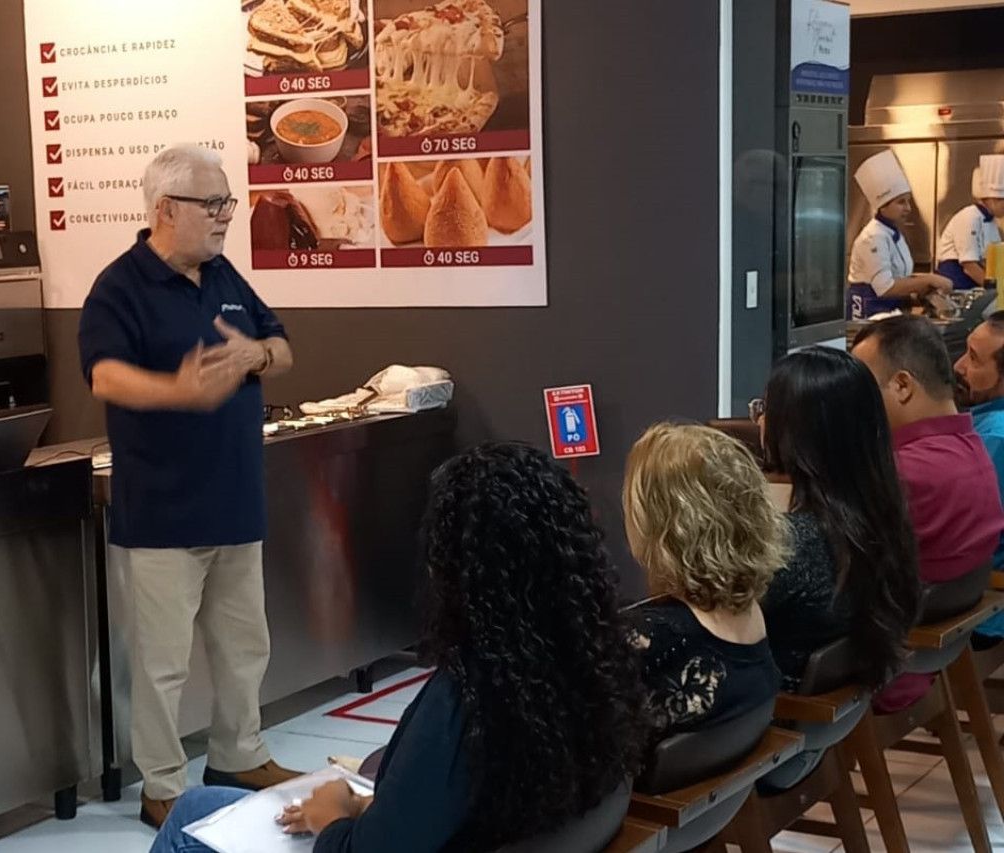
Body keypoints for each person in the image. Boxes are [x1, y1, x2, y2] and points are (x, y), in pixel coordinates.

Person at [150, 442, 651, 853]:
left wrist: (333, 820)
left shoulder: (466, 700)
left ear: (457, 569)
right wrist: (365, 808)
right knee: (205, 803)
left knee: (189, 822)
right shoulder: (593, 660)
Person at [78, 145, 297, 829]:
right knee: (163, 664)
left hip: (235, 499)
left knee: (245, 645)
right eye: (214, 204)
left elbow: (283, 346)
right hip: (164, 509)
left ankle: (238, 753)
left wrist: (256, 354)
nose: (226, 215)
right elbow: (105, 376)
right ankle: (163, 786)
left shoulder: (224, 273)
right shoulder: (119, 287)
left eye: (227, 202)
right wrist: (177, 387)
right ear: (165, 209)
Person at [851, 314, 1004, 710]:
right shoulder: (971, 446)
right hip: (939, 645)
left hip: (886, 670)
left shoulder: (913, 473)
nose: (958, 366)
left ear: (902, 385)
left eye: (861, 388)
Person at [756, 347, 921, 692]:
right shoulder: (880, 515)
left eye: (766, 409)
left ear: (796, 431)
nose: (759, 420)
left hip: (774, 716)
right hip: (826, 717)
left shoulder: (791, 546)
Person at [622, 423, 785, 740]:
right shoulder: (749, 610)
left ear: (659, 522)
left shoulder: (649, 637)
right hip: (729, 783)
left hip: (659, 788)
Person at [848, 149, 952, 320]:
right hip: (870, 314)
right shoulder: (873, 237)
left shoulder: (893, 233)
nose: (908, 208)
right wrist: (928, 280)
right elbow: (885, 288)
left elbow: (899, 277)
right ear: (883, 205)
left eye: (908, 201)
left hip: (892, 312)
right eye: (901, 202)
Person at [954, 311, 1004, 640]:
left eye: (973, 359)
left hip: (983, 607)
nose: (959, 366)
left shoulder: (994, 439)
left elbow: (961, 538)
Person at [935, 155, 1004, 290]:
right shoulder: (969, 217)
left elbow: (991, 264)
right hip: (956, 286)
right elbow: (970, 267)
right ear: (991, 199)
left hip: (976, 286)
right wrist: (997, 291)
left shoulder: (993, 224)